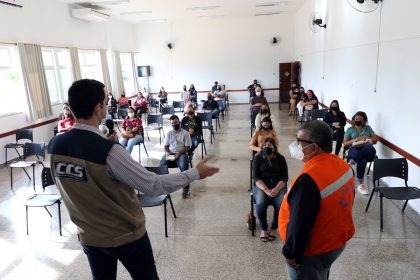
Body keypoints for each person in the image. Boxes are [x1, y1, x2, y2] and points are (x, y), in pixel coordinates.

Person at [48, 79, 218, 280]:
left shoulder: (55, 145)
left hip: (89, 234)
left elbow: (75, 184)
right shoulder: (109, 151)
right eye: (105, 101)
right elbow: (153, 185)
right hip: (125, 236)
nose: (109, 105)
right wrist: (195, 173)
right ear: (98, 108)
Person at [279, 120, 355, 280]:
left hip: (313, 251)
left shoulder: (309, 180)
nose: (296, 145)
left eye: (299, 141)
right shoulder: (343, 165)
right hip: (336, 241)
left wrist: (291, 253)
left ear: (313, 147)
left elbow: (299, 223)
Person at [252, 137, 288, 242]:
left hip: (278, 185)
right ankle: (264, 228)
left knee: (280, 203)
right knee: (261, 202)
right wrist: (266, 190)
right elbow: (256, 178)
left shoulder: (281, 158)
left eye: (270, 146)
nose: (267, 148)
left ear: (274, 147)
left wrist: (276, 189)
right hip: (262, 186)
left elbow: (284, 177)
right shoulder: (258, 158)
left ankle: (273, 228)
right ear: (262, 147)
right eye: (265, 146)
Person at [343, 111, 378, 195]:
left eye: (360, 119)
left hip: (368, 150)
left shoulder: (368, 128)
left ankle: (352, 161)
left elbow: (375, 141)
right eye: (356, 119)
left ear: (364, 120)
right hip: (354, 149)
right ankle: (361, 185)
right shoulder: (350, 129)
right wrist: (354, 140)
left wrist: (366, 137)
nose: (358, 120)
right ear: (354, 120)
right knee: (363, 160)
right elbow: (345, 143)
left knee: (369, 147)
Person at [160, 115, 193, 199]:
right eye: (172, 123)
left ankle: (186, 187)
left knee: (184, 166)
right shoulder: (169, 133)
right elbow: (166, 146)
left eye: (176, 122)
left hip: (182, 153)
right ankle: (165, 185)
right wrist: (167, 152)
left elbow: (188, 147)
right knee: (162, 164)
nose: (174, 124)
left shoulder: (185, 133)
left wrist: (179, 152)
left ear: (179, 122)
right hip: (171, 153)